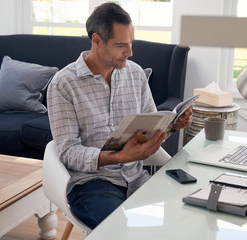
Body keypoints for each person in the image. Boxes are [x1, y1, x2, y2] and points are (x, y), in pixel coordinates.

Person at [47, 2, 193, 229]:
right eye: (121, 45)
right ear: (96, 41)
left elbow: (149, 125)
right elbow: (67, 152)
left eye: (131, 43)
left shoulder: (135, 74)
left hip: (136, 178)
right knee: (119, 232)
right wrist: (118, 157)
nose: (130, 52)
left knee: (185, 216)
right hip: (92, 184)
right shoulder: (63, 84)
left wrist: (173, 125)